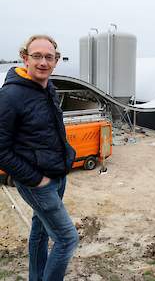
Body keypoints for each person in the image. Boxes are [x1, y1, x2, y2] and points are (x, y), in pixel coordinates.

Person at [0, 35, 79, 281]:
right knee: (67, 239)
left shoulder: (48, 89)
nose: (43, 62)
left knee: (41, 230)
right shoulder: (10, 96)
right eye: (37, 56)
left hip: (57, 174)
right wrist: (36, 180)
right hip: (38, 182)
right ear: (25, 58)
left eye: (49, 57)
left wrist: (67, 156)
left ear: (56, 60)